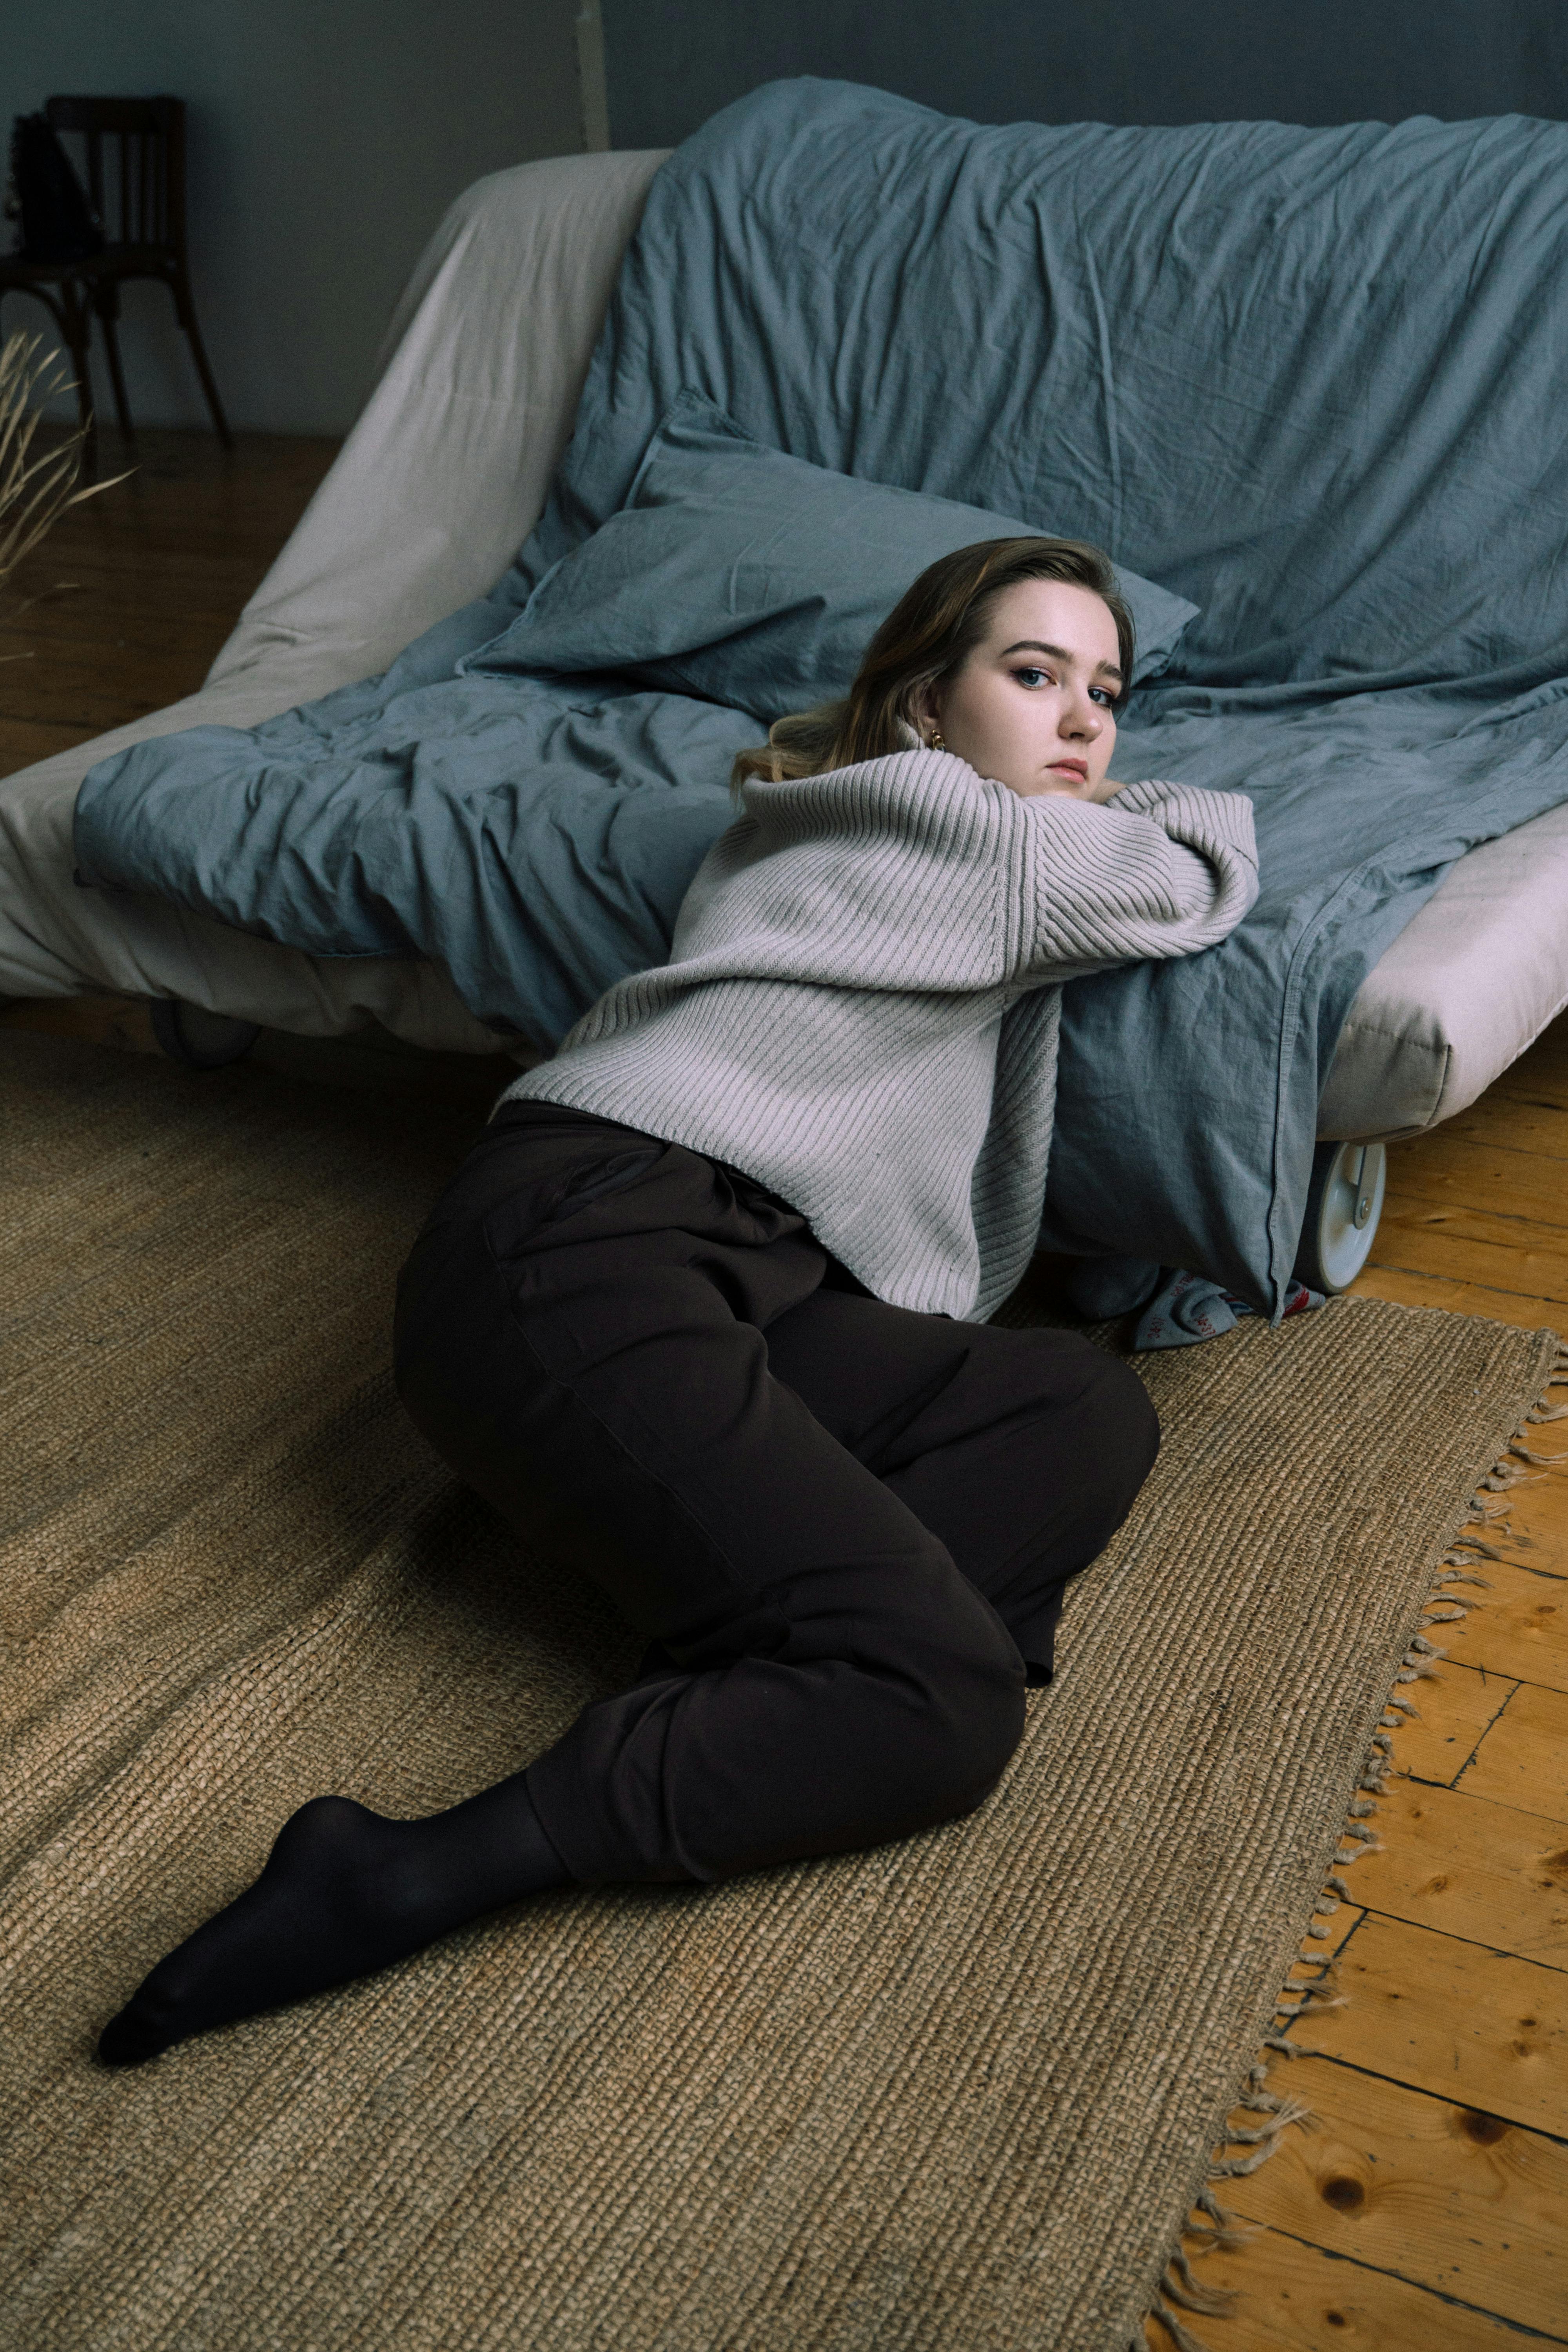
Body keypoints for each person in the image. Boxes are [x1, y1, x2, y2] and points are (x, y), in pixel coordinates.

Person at [98, 535, 1258, 2066]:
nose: (1084, 725)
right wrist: (1118, 803)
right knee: (944, 1710)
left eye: (1105, 693)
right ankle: (409, 1865)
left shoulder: (824, 825)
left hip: (738, 1264)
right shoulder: (956, 826)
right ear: (919, 708)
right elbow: (1203, 857)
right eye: (1031, 674)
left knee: (1076, 1407)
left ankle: (803, 1677)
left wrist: (1066, 769)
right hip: (586, 1245)